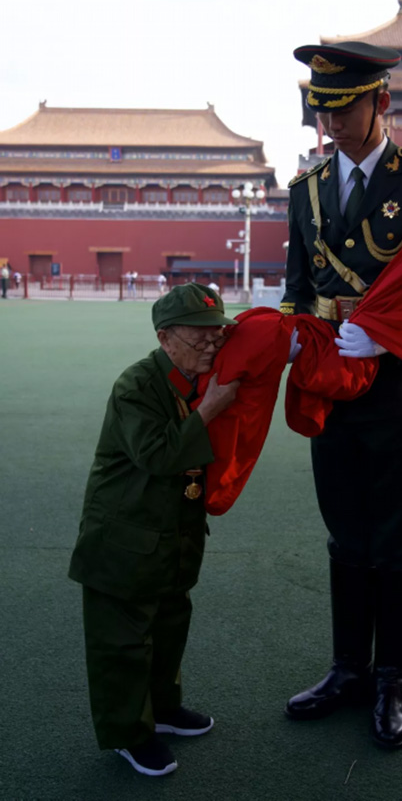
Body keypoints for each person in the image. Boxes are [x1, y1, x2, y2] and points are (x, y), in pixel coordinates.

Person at [280, 42, 402, 748]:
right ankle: (348, 668)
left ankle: (392, 680)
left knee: (394, 537)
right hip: (329, 384)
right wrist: (297, 335)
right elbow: (300, 287)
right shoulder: (306, 189)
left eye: (343, 108)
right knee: (344, 530)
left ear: (381, 101)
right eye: (321, 111)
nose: (330, 125)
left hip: (396, 384)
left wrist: (388, 336)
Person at [68, 283, 240, 776]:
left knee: (168, 625)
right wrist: (212, 409)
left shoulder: (197, 377)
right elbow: (158, 455)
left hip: (171, 534)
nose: (212, 343)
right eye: (200, 335)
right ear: (166, 338)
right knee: (122, 641)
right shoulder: (137, 386)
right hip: (122, 538)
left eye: (217, 332)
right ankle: (128, 733)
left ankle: (163, 710)